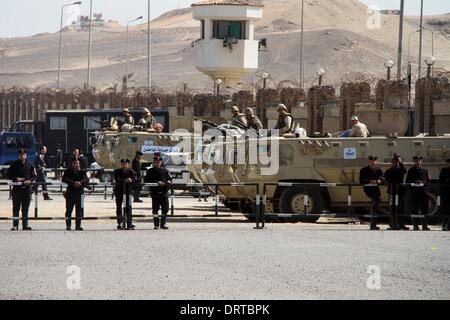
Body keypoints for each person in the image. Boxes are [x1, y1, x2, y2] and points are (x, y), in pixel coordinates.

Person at [7, 149, 36, 231]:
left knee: (25, 208)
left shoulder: (30, 164)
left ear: (26, 155)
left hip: (27, 190)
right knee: (16, 208)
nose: (22, 156)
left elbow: (34, 176)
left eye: (23, 154)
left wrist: (30, 181)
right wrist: (16, 178)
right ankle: (15, 225)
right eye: (20, 154)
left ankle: (25, 225)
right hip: (17, 190)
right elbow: (8, 175)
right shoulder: (14, 164)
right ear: (18, 155)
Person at [145, 155, 173, 230]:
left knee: (165, 209)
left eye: (159, 162)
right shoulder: (150, 171)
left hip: (164, 193)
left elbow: (170, 179)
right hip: (155, 193)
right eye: (156, 162)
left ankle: (163, 224)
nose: (157, 163)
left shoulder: (165, 171)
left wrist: (166, 182)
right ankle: (156, 224)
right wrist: (157, 182)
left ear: (161, 162)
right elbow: (147, 181)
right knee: (155, 209)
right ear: (154, 162)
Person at [383, 153, 409, 230]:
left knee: (401, 208)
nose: (395, 163)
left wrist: (400, 161)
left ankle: (401, 224)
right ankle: (392, 224)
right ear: (392, 163)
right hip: (391, 192)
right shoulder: (388, 171)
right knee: (392, 208)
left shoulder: (401, 170)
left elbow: (404, 171)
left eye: (396, 162)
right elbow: (385, 179)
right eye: (394, 162)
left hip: (400, 192)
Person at [62, 159, 89, 231]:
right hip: (70, 194)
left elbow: (86, 180)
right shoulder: (68, 171)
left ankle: (78, 226)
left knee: (79, 211)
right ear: (72, 164)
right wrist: (73, 182)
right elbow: (64, 179)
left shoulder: (82, 172)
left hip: (79, 194)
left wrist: (80, 182)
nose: (76, 165)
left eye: (77, 163)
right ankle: (68, 226)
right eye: (74, 163)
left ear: (79, 164)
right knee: (68, 210)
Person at [406, 156, 431, 231]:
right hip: (415, 193)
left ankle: (424, 226)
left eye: (419, 160)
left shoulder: (425, 170)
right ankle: (415, 225)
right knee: (414, 209)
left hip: (423, 193)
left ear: (421, 161)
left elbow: (428, 181)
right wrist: (414, 182)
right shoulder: (411, 170)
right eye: (416, 160)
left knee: (425, 209)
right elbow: (407, 181)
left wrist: (425, 186)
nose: (418, 162)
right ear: (414, 161)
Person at [360, 155, 383, 230]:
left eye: (374, 161)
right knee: (376, 201)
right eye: (371, 161)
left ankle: (373, 225)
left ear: (376, 162)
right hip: (368, 189)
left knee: (376, 204)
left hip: (376, 189)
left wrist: (380, 180)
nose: (373, 162)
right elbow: (361, 180)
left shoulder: (378, 170)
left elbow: (382, 177)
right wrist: (370, 181)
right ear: (369, 162)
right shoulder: (364, 170)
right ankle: (373, 224)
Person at [114, 159, 136, 230]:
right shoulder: (117, 171)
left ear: (128, 165)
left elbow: (135, 180)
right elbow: (117, 179)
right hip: (119, 192)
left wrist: (131, 180)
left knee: (128, 208)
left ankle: (129, 223)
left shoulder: (131, 172)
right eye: (123, 164)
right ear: (121, 164)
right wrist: (124, 180)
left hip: (128, 192)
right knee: (119, 207)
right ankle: (120, 222)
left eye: (126, 164)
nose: (124, 165)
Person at [439, 159, 450, 231]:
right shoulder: (444, 170)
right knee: (445, 210)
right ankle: (444, 224)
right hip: (445, 192)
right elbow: (441, 179)